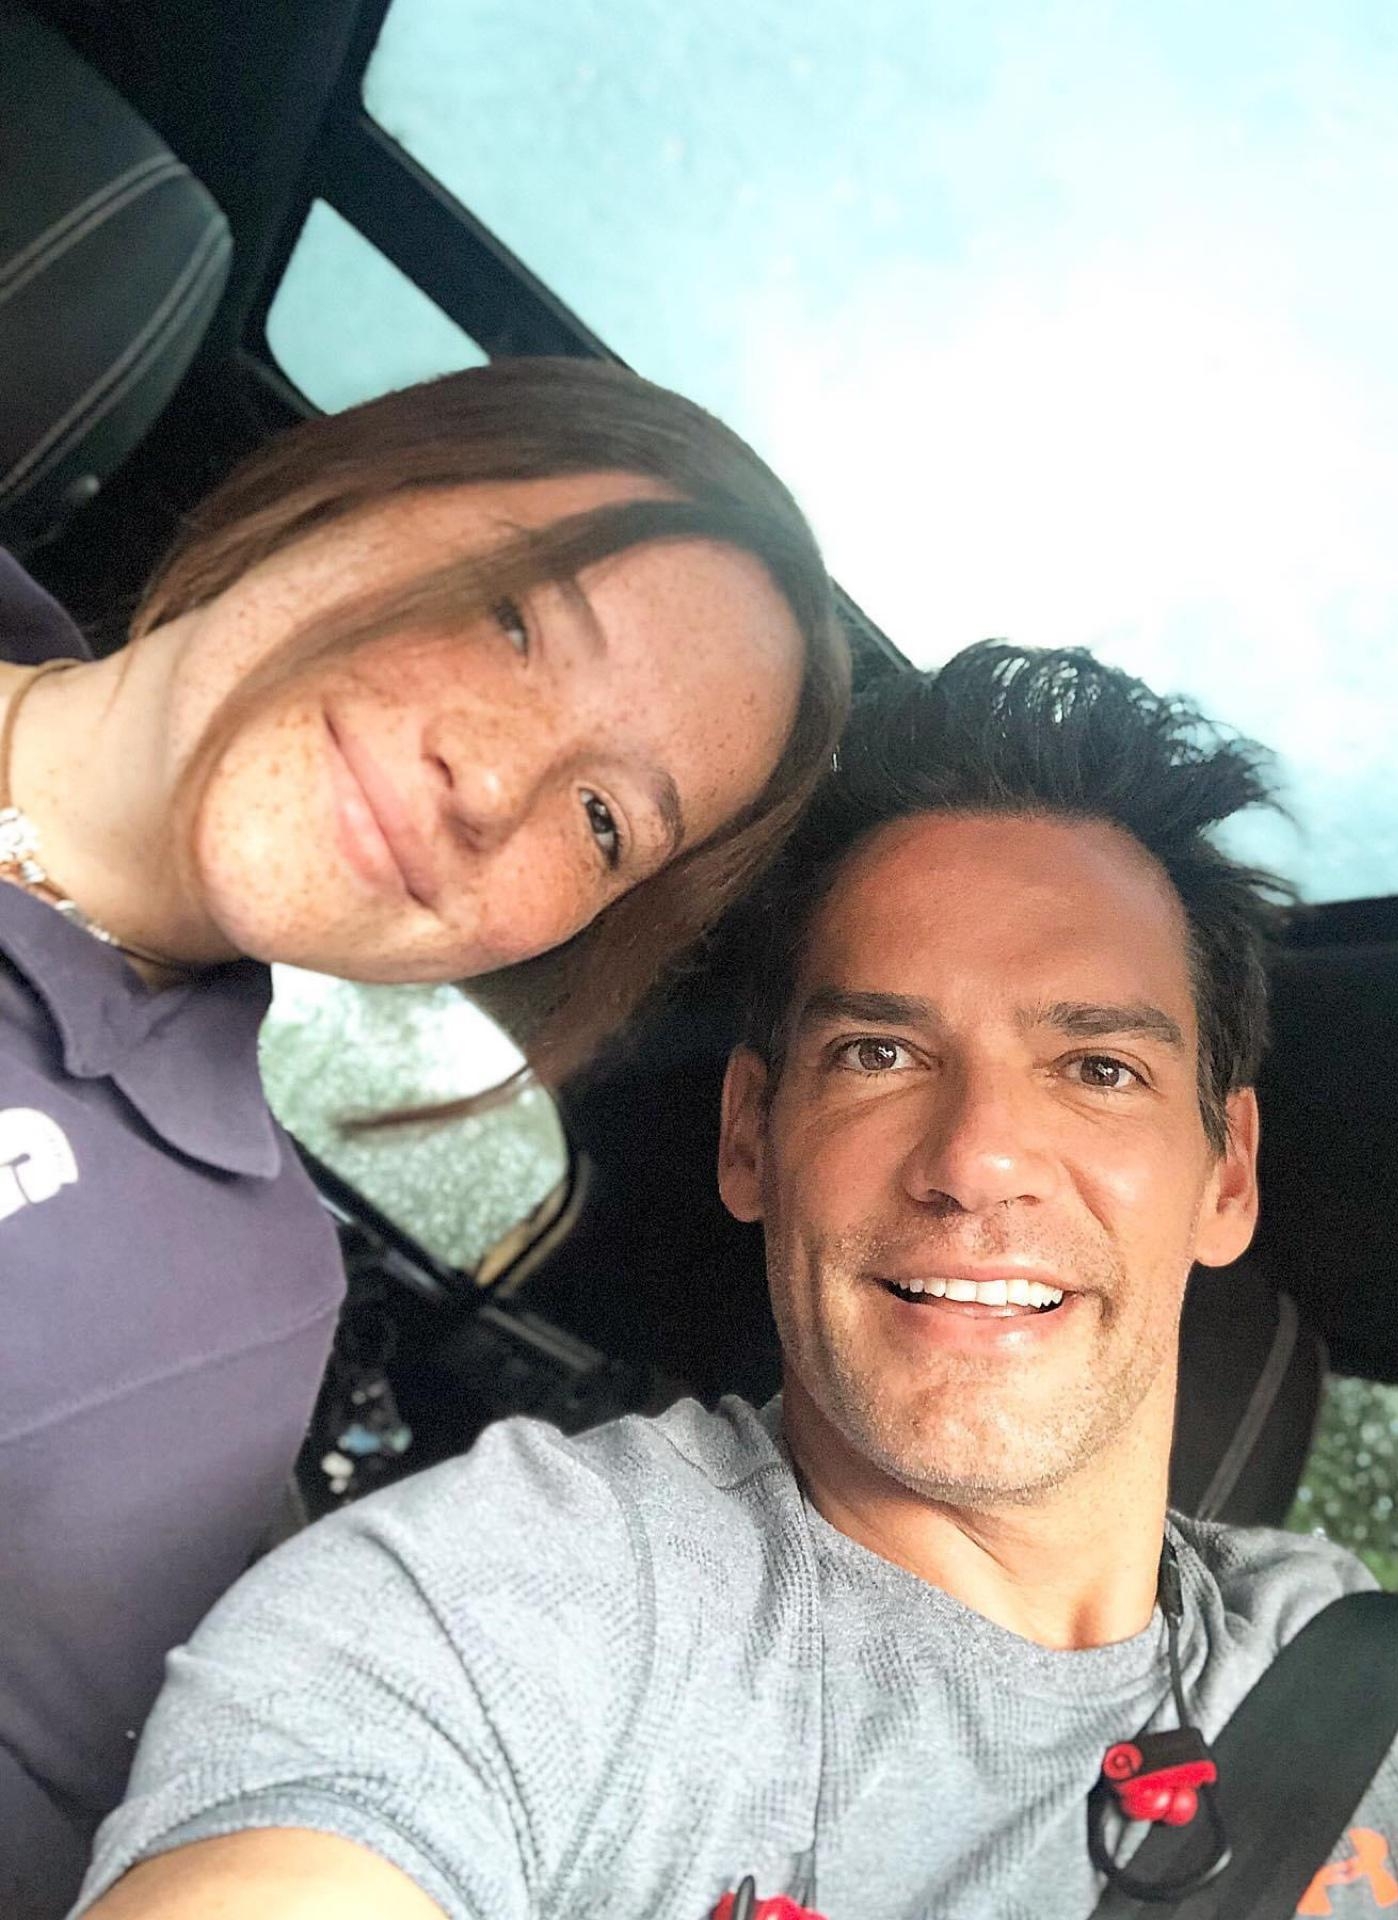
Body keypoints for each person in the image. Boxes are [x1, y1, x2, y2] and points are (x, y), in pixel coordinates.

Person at [72, 646, 1398, 1920]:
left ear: (1227, 1176)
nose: (976, 1160)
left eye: (1098, 1069)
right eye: (879, 1053)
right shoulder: (506, 1608)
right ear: (749, 1139)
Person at [0, 354, 848, 1917]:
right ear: (355, 490)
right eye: (515, 615)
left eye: (605, 822)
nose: (495, 780)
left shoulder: (225, 1313)